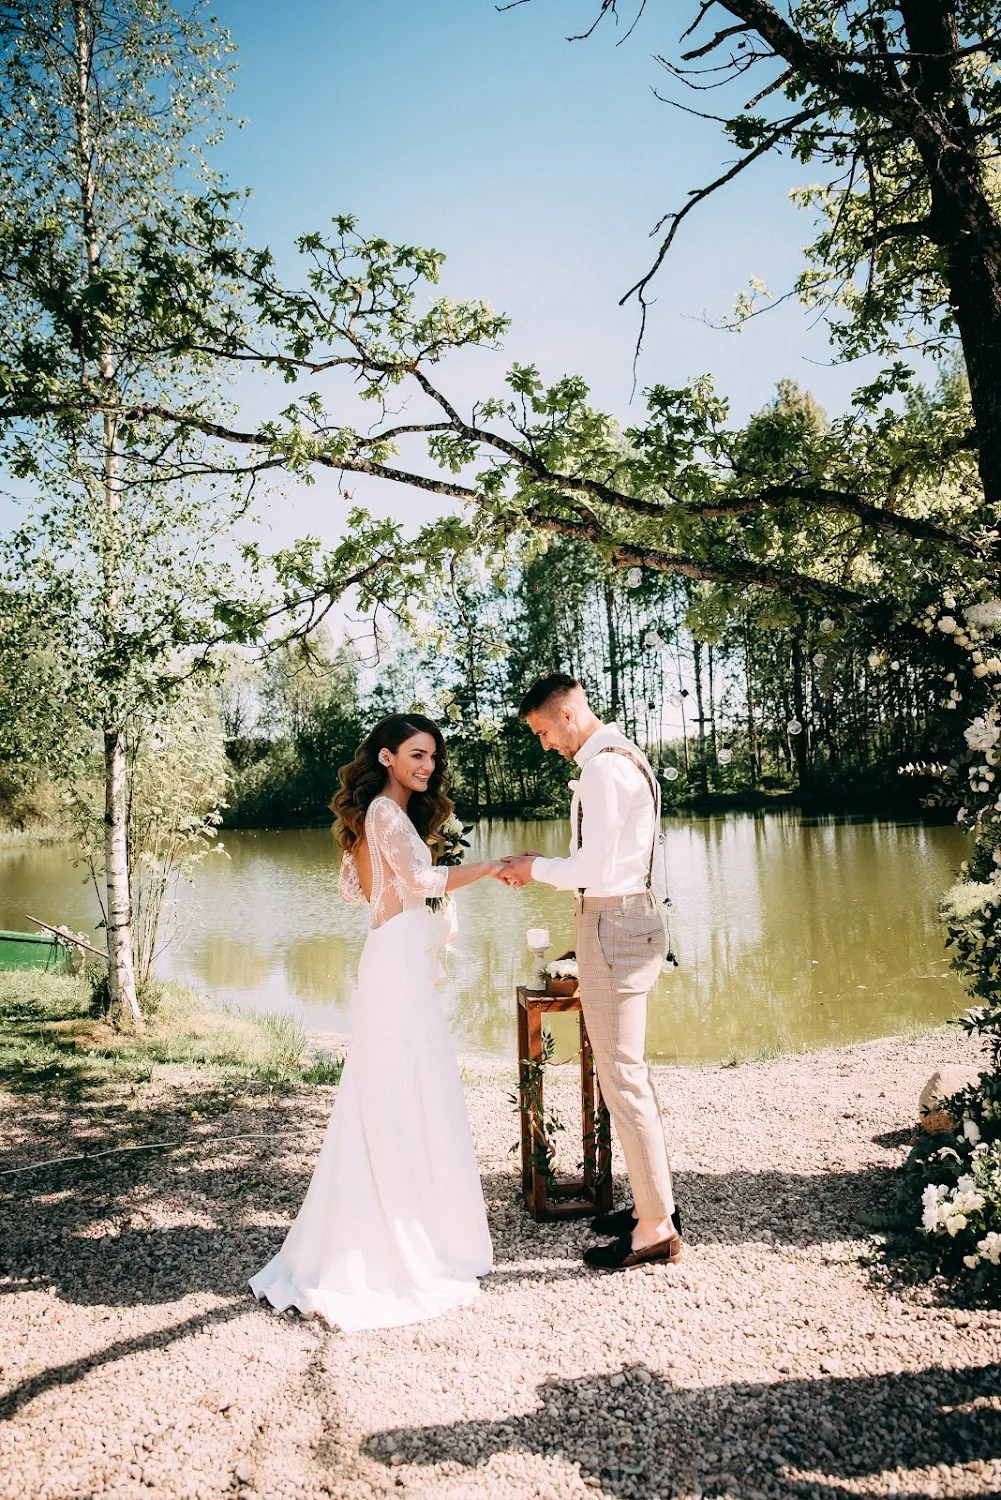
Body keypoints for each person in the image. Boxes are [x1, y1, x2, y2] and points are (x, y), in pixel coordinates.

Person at [249, 713, 504, 1330]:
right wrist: (494, 867)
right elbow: (419, 880)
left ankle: (403, 1220)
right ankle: (391, 1240)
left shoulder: (379, 819)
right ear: (387, 757)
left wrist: (423, 890)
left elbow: (364, 891)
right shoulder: (386, 816)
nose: (428, 766)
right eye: (416, 755)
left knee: (395, 1088)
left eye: (433, 758)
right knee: (400, 1089)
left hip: (393, 957)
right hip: (396, 963)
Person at [500, 675, 683, 1271]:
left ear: (570, 714)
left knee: (622, 1075)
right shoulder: (622, 755)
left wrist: (533, 868)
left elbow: (597, 870)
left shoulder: (605, 769)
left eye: (545, 731)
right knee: (629, 1072)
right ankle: (654, 1206)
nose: (546, 745)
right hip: (627, 921)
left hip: (612, 924)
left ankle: (655, 1228)